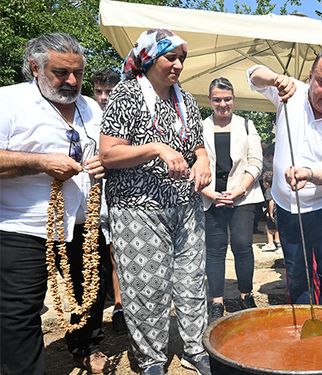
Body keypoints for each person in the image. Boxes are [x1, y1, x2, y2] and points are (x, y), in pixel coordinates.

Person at [99, 29, 211, 375]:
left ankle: (196, 349)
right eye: (170, 57)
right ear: (148, 57)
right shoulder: (126, 95)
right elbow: (108, 153)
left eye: (181, 58)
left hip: (184, 204)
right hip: (138, 207)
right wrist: (155, 148)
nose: (177, 64)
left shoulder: (187, 100)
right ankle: (151, 358)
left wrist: (203, 160)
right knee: (148, 285)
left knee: (192, 280)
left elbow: (197, 146)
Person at [0, 32, 109, 374]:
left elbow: (104, 153)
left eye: (77, 72)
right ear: (35, 67)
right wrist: (40, 162)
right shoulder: (8, 101)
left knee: (91, 291)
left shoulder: (90, 107)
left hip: (83, 224)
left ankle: (86, 346)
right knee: (19, 313)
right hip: (23, 226)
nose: (72, 81)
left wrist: (104, 163)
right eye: (61, 73)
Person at [247, 47, 322, 307]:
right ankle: (300, 329)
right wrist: (275, 78)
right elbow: (252, 75)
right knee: (297, 273)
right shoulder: (291, 92)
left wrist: (308, 174)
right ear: (310, 76)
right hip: (287, 206)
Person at [201, 77, 264, 322]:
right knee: (214, 251)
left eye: (227, 99)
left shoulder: (247, 125)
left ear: (233, 100)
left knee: (242, 246)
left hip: (243, 197)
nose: (223, 104)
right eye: (217, 100)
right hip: (210, 197)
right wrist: (207, 192)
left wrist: (238, 190)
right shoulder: (200, 126)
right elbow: (192, 163)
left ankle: (245, 295)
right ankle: (216, 300)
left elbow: (256, 162)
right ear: (210, 101)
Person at [89, 68, 128, 334]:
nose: (103, 97)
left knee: (117, 254)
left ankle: (120, 305)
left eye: (109, 92)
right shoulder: (86, 115)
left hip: (118, 196)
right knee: (92, 258)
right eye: (99, 91)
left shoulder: (126, 116)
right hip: (90, 199)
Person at [261, 170, 281, 251]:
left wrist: (270, 213)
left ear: (267, 183)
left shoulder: (269, 190)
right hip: (278, 211)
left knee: (268, 228)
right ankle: (278, 242)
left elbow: (271, 202)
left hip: (272, 212)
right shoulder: (277, 189)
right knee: (276, 227)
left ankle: (270, 243)